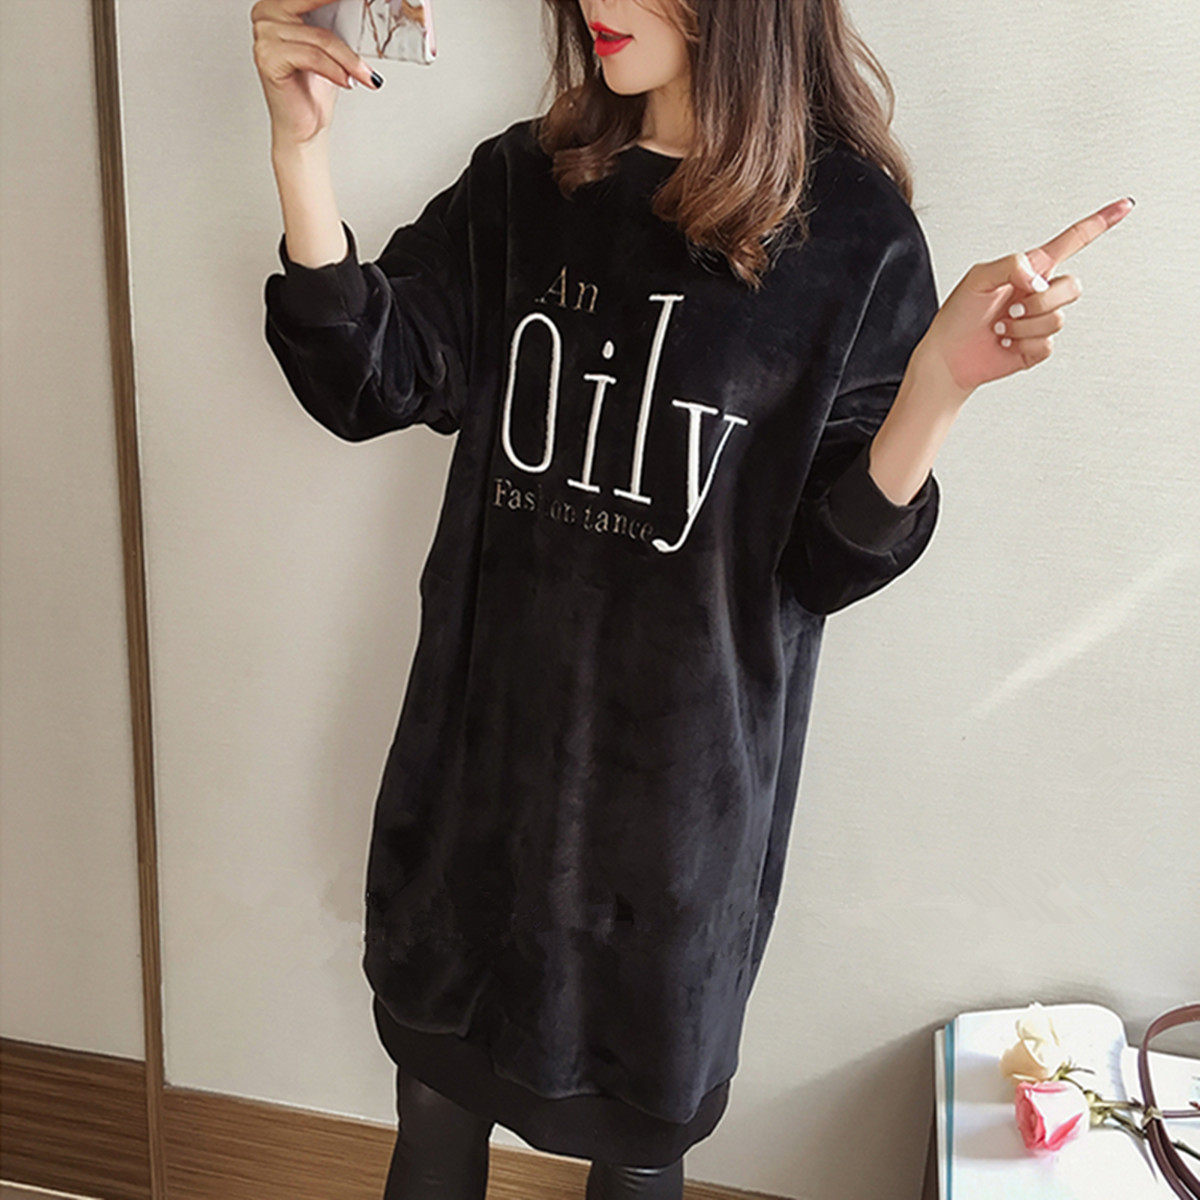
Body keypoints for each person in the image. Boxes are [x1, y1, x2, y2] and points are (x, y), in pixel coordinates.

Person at [251, 0, 1131, 1195]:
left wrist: (940, 384)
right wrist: (300, 151)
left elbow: (828, 565)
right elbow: (367, 380)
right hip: (476, 802)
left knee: (637, 1155)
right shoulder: (526, 183)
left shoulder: (853, 237)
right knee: (435, 1121)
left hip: (669, 854)